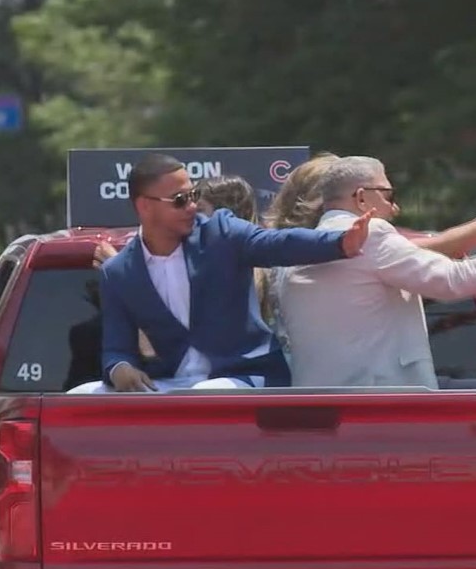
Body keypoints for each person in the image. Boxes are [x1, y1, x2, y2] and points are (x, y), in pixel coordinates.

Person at [276, 155, 476, 389]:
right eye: (389, 195)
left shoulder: (295, 248)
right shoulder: (371, 234)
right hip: (380, 407)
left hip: (313, 410)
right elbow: (451, 280)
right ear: (361, 198)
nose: (394, 207)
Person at [67, 153, 373, 393]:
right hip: (174, 384)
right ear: (144, 207)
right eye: (179, 200)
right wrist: (120, 369)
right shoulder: (119, 272)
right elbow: (116, 347)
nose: (192, 206)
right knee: (81, 395)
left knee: (204, 395)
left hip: (243, 377)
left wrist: (341, 242)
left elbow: (277, 243)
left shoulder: (221, 233)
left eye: (193, 194)